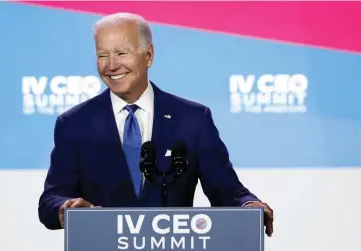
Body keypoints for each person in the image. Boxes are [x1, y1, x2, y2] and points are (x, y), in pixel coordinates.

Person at [38, 12, 274, 236]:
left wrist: (248, 205)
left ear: (148, 55)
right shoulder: (74, 123)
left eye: (121, 53)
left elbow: (226, 190)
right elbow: (51, 199)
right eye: (102, 55)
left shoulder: (192, 119)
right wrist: (65, 209)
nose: (111, 66)